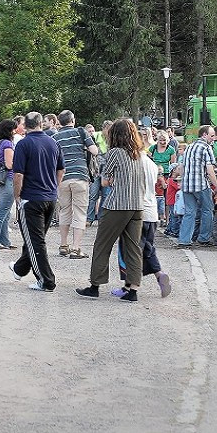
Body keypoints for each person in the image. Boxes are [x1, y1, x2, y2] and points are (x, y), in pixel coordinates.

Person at [76, 119, 147, 302]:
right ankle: (133, 290)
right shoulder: (139, 154)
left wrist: (112, 180)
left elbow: (105, 181)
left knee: (102, 245)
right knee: (133, 248)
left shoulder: (115, 153)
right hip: (137, 206)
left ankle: (95, 286)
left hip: (117, 205)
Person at [7, 112, 64, 292]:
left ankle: (46, 280)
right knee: (35, 239)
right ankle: (20, 268)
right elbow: (61, 169)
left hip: (31, 198)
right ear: (41, 124)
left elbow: (18, 174)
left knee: (36, 241)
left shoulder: (24, 144)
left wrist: (17, 196)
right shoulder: (53, 142)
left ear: (25, 125)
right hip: (50, 197)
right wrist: (54, 187)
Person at [110, 150, 172, 298]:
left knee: (130, 251)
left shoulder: (134, 163)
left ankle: (128, 287)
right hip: (152, 212)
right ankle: (159, 274)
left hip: (138, 211)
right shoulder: (152, 164)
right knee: (147, 249)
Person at [52, 110, 98, 259]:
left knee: (65, 211)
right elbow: (94, 151)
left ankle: (63, 245)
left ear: (59, 122)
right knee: (79, 212)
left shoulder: (55, 137)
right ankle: (76, 248)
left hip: (62, 178)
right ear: (73, 120)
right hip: (80, 176)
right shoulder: (81, 132)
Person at [178, 124, 217, 248]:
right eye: (212, 136)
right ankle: (204, 238)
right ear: (204, 135)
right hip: (201, 184)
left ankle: (184, 240)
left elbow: (181, 167)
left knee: (189, 213)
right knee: (207, 210)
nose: (214, 138)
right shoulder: (206, 148)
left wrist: (184, 180)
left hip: (187, 185)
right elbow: (210, 171)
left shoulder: (189, 147)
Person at [0, 119, 19, 251]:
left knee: (5, 213)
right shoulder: (7, 144)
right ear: (9, 130)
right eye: (14, 129)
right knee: (1, 213)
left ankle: (5, 241)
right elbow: (9, 164)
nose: (15, 131)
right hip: (8, 180)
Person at [164, 164, 182, 238]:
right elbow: (178, 187)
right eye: (178, 168)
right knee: (175, 216)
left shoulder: (170, 179)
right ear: (174, 170)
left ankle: (169, 229)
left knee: (172, 216)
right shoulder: (172, 180)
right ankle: (175, 231)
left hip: (171, 200)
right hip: (173, 201)